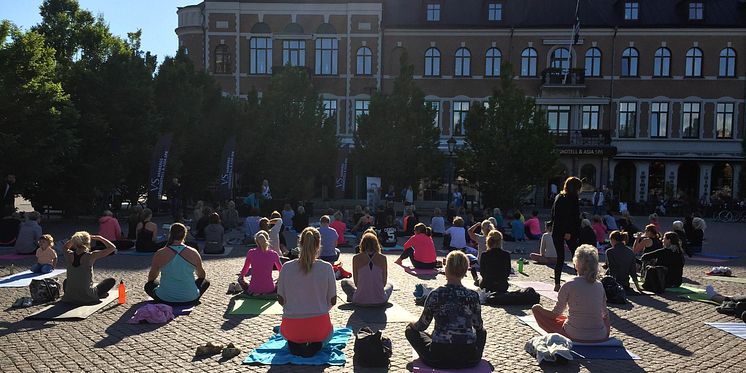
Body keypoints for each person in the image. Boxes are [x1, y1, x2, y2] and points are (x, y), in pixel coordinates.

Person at [406, 251, 486, 369]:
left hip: (439, 356)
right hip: (468, 357)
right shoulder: (473, 296)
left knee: (410, 330)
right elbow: (478, 326)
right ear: (464, 272)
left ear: (446, 269)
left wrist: (411, 325)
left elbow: (422, 325)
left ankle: (424, 359)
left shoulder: (436, 294)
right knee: (483, 332)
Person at [277, 227, 336, 357]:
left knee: (287, 333)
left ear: (300, 243)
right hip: (319, 325)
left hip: (292, 325)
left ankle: (294, 342)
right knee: (329, 333)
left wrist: (295, 308)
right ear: (318, 244)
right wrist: (319, 308)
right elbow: (333, 300)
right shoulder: (326, 268)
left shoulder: (286, 267)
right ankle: (317, 345)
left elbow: (281, 299)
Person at [531, 244, 611, 342]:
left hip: (574, 334)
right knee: (602, 319)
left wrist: (538, 308)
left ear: (576, 263)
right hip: (600, 335)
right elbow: (605, 315)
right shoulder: (599, 285)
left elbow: (554, 314)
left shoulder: (569, 284)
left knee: (539, 311)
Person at [145, 223, 210, 305]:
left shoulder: (160, 253)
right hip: (190, 298)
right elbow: (201, 275)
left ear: (170, 234)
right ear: (184, 235)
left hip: (165, 298)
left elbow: (152, 276)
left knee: (148, 285)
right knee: (205, 281)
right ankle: (188, 292)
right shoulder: (194, 252)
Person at [61, 232, 117, 305]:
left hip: (70, 296)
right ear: (88, 243)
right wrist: (100, 238)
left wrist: (73, 239)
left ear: (75, 242)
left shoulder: (68, 254)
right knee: (111, 281)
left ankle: (75, 295)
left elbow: (64, 247)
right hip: (88, 296)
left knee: (66, 281)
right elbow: (112, 248)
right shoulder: (91, 256)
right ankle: (98, 295)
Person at [341, 230, 393, 305]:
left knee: (345, 282)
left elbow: (356, 283)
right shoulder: (383, 258)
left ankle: (353, 296)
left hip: (360, 300)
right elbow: (384, 283)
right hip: (380, 300)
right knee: (390, 285)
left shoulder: (356, 258)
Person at [551, 176, 582, 291]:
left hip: (557, 230)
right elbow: (572, 217)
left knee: (560, 258)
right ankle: (580, 280)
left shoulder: (558, 197)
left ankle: (557, 283)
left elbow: (554, 215)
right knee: (576, 256)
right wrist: (568, 231)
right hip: (568, 231)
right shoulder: (573, 198)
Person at [238, 231, 282, 295]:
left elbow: (245, 269)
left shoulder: (251, 252)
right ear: (267, 240)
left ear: (256, 241)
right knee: (278, 282)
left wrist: (242, 277)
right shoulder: (274, 254)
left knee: (241, 280)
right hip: (269, 288)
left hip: (253, 288)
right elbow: (282, 270)